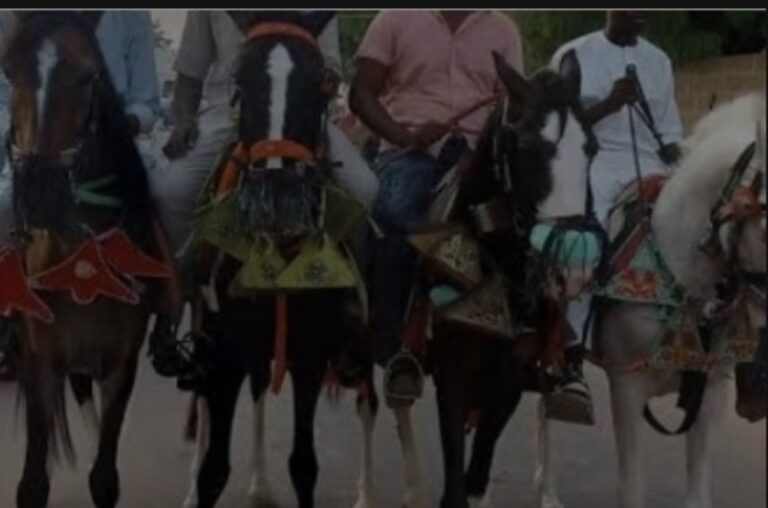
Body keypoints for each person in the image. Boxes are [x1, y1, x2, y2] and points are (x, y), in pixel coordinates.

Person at [151, 10, 379, 379]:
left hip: (299, 118)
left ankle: (353, 313)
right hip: (227, 115)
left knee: (364, 188)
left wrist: (310, 85)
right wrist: (183, 122)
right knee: (169, 191)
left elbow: (331, 71)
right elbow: (189, 79)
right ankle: (174, 309)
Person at [350, 10, 524, 406]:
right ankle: (396, 350)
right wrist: (405, 135)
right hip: (412, 151)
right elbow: (361, 93)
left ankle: (548, 348)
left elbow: (514, 104)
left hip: (480, 155)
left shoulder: (503, 29)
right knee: (396, 218)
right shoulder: (393, 20)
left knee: (530, 225)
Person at [0, 10, 164, 376]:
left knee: (165, 197)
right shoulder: (15, 16)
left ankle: (167, 311)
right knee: (1, 206)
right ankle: (7, 322)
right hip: (34, 150)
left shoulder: (130, 16)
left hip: (109, 153)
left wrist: (122, 123)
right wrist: (26, 134)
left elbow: (148, 102)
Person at [549, 10, 683, 411]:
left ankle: (712, 346)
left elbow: (670, 133)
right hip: (596, 163)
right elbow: (554, 126)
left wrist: (690, 168)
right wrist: (608, 104)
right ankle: (571, 358)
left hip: (652, 165)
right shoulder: (573, 54)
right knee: (583, 247)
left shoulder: (659, 60)